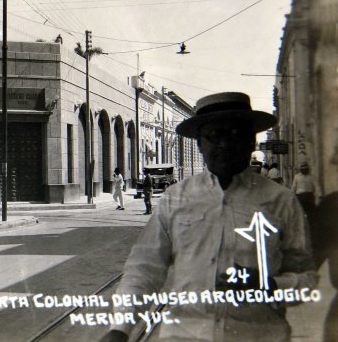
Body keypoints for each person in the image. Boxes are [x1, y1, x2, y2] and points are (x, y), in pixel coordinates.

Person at [99, 92, 316, 342]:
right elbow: (144, 268)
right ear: (200, 143)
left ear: (251, 141)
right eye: (215, 136)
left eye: (236, 134)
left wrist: (270, 285)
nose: (225, 144)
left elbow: (307, 280)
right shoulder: (176, 199)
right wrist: (120, 327)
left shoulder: (282, 202)